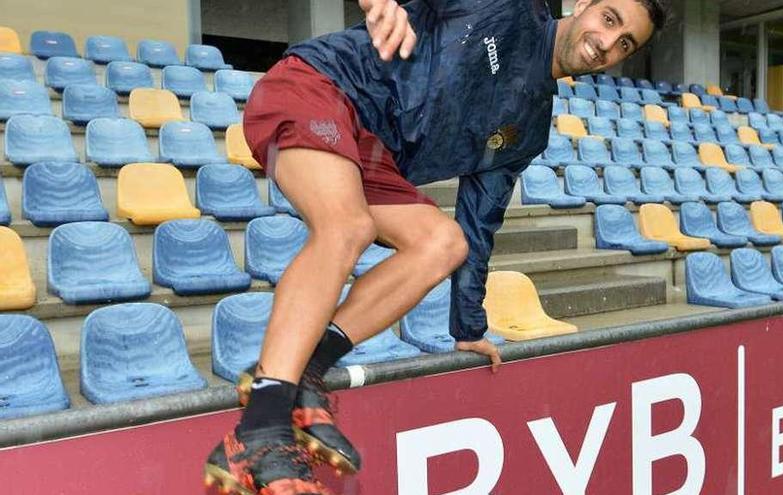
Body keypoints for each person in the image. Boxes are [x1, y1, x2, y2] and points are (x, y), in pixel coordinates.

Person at [204, 0, 667, 493]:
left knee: (444, 243)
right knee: (348, 226)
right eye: (610, 19)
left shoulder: (529, 126)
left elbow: (480, 221)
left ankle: (302, 370)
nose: (606, 43)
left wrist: (467, 327)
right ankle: (259, 429)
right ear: (583, 6)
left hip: (370, 153)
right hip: (319, 86)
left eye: (625, 44)